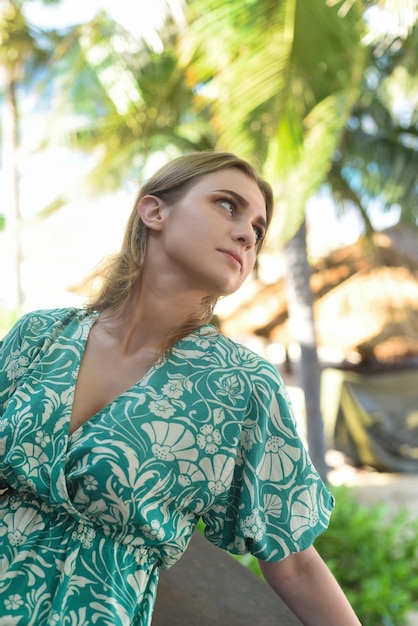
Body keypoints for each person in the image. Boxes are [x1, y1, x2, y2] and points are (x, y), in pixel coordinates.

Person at [0, 150, 360, 626]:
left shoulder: (241, 388)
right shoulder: (39, 335)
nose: (247, 234)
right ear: (155, 212)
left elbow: (293, 561)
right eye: (228, 205)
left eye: (258, 229)